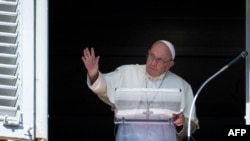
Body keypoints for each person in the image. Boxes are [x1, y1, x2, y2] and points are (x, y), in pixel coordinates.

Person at [82, 40, 199, 141]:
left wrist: (181, 124)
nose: (153, 62)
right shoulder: (127, 72)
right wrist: (93, 73)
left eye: (159, 60)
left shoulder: (182, 86)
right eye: (151, 56)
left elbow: (191, 126)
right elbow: (104, 86)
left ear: (169, 64)